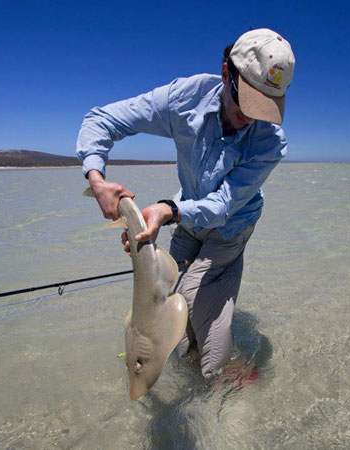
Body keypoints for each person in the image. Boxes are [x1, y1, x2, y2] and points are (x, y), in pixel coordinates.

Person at [76, 28, 295, 378]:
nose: (252, 117)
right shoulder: (184, 99)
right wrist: (97, 180)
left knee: (197, 311)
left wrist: (167, 211)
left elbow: (224, 204)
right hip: (187, 214)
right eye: (248, 102)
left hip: (232, 225)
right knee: (168, 315)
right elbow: (102, 120)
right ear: (227, 74)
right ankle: (193, 358)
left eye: (264, 109)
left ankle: (226, 378)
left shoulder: (270, 143)